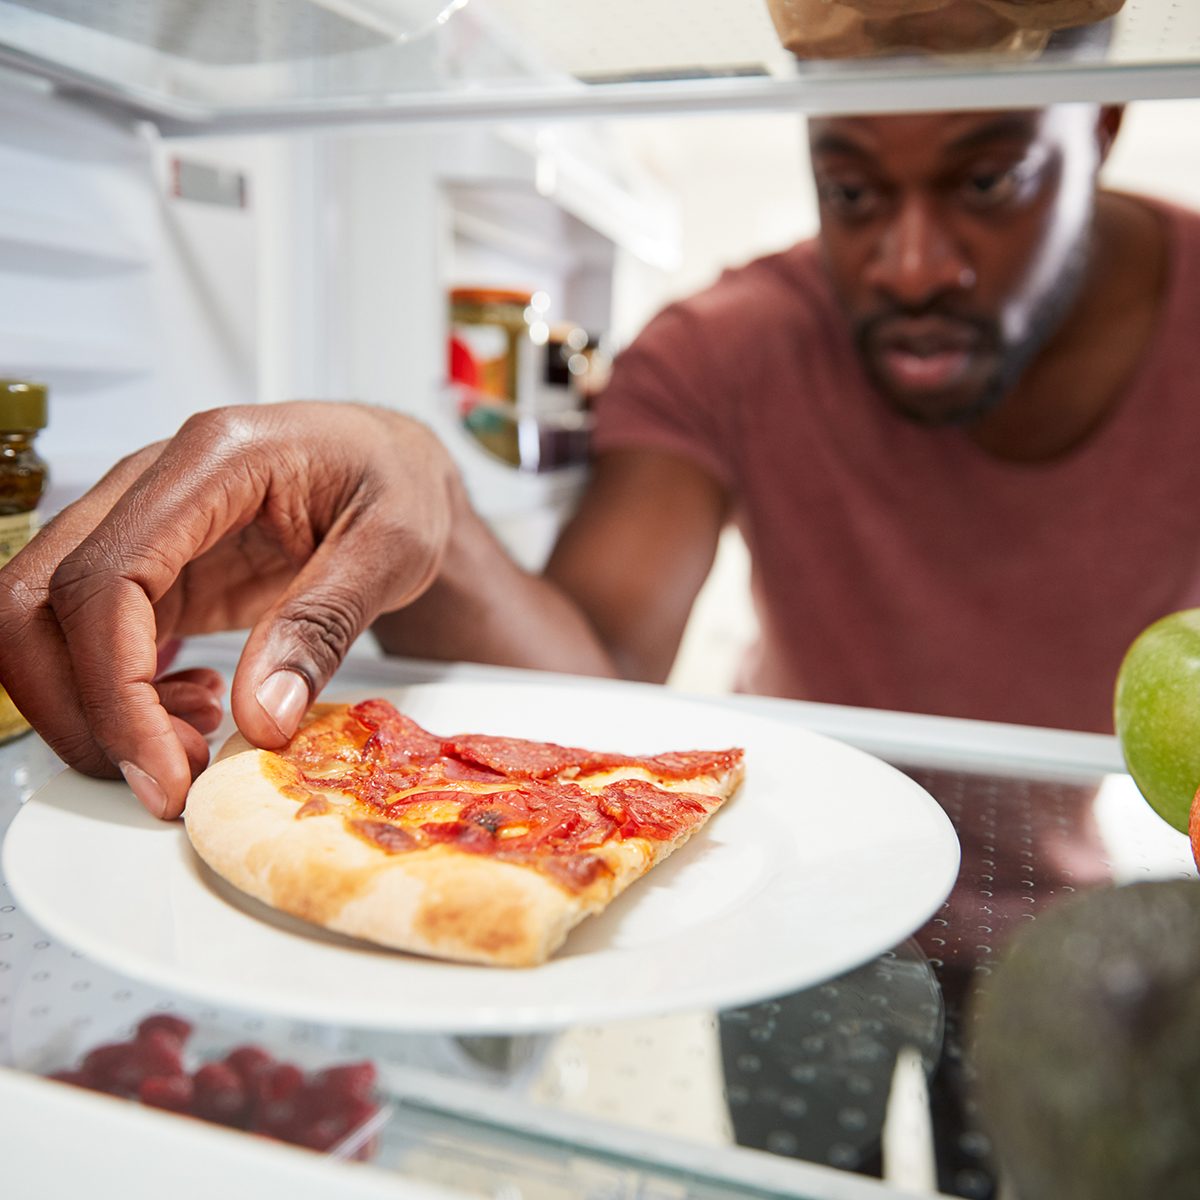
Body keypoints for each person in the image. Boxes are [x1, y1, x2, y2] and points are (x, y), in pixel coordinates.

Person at [0, 104, 1191, 822]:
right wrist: (423, 481)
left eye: (988, 180)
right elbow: (600, 671)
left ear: (1097, 125)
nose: (914, 263)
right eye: (853, 191)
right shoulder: (729, 346)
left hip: (1080, 901)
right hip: (810, 838)